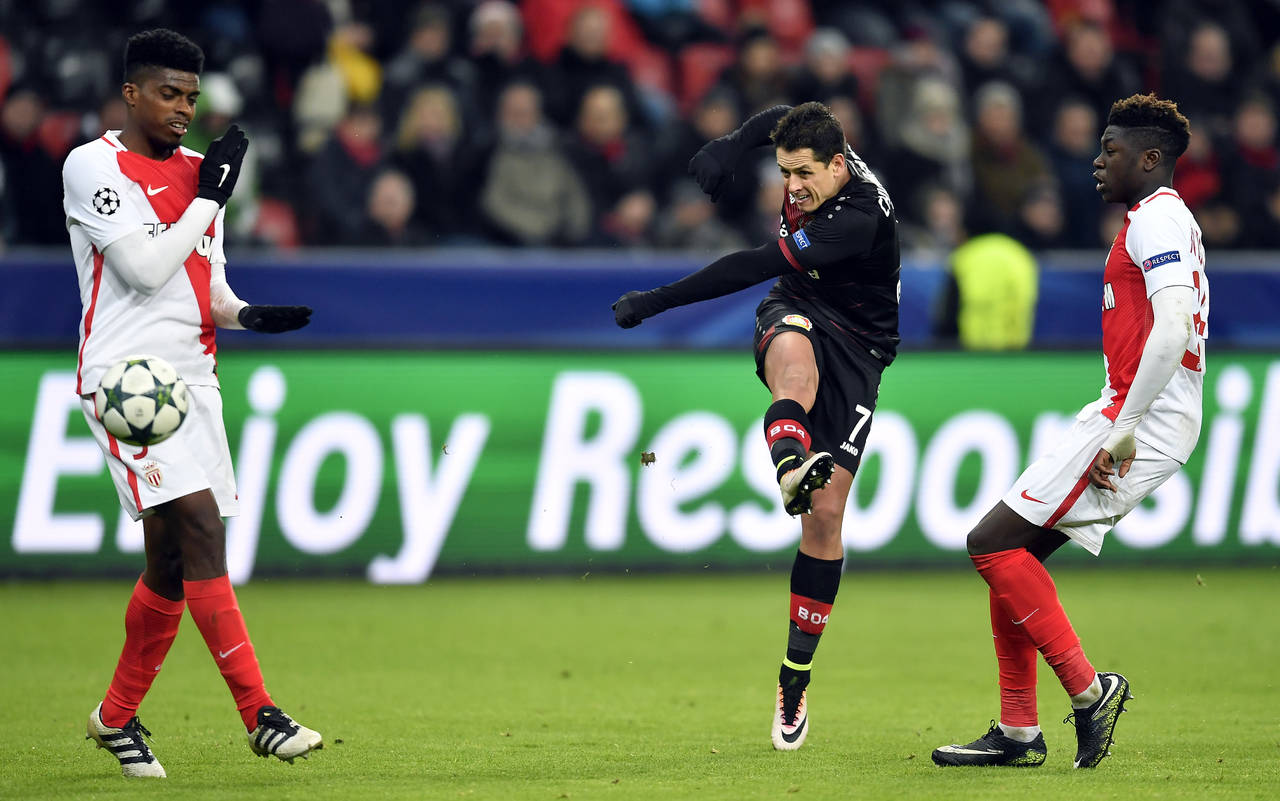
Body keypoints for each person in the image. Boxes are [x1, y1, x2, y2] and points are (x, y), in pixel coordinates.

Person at [62, 29, 319, 778]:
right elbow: (143, 269)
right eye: (169, 94)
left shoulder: (203, 172)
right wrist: (211, 198)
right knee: (202, 526)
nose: (182, 109)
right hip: (127, 383)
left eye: (192, 98)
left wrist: (248, 314)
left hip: (193, 378)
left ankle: (115, 718)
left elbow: (203, 283)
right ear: (132, 92)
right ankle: (260, 713)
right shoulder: (94, 165)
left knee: (173, 563)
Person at [612, 101, 900, 751]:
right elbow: (781, 112)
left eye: (802, 174)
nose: (791, 186)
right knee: (794, 378)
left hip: (861, 348)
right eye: (783, 171)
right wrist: (730, 145)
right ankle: (790, 467)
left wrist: (657, 301)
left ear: (837, 165)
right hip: (796, 309)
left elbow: (749, 265)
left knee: (824, 521)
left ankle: (793, 679)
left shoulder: (857, 217)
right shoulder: (820, 153)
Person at [931, 93, 1206, 769]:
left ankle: (1089, 693)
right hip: (1131, 409)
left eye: (1111, 150)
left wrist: (1128, 427)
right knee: (1011, 557)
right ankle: (1019, 730)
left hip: (1141, 415)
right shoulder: (1159, 217)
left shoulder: (1157, 218)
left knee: (990, 542)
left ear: (1150, 158)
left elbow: (1173, 326)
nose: (1097, 161)